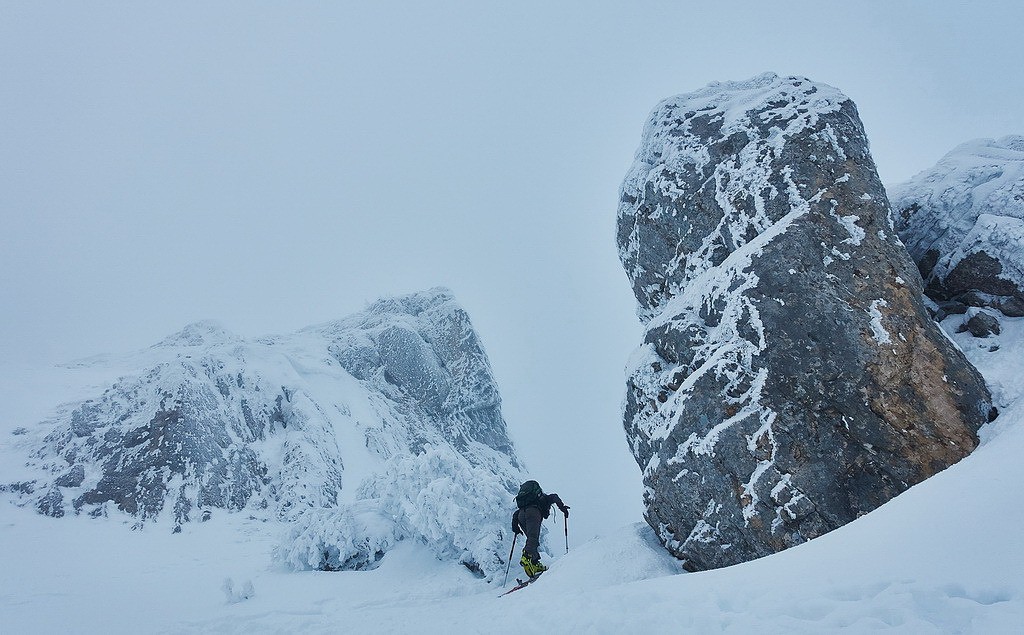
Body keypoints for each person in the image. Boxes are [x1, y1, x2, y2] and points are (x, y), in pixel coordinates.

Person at [511, 480, 569, 578]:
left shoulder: (527, 502)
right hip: (533, 513)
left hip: (521, 515)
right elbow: (555, 496)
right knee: (533, 538)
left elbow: (515, 514)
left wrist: (515, 528)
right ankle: (526, 556)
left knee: (531, 539)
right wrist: (563, 508)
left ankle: (534, 563)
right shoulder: (545, 498)